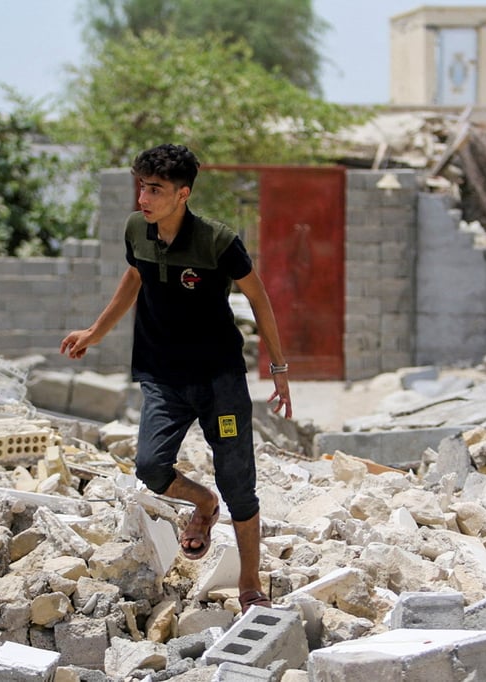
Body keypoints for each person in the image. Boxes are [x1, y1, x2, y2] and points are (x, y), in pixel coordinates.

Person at [60, 143, 292, 614]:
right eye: (141, 186)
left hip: (219, 379)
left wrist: (279, 367)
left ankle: (250, 583)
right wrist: (96, 331)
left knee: (238, 480)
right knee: (150, 467)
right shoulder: (136, 230)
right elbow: (136, 275)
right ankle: (203, 504)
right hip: (162, 375)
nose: (144, 197)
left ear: (182, 194)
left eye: (156, 189)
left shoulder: (218, 241)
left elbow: (260, 298)